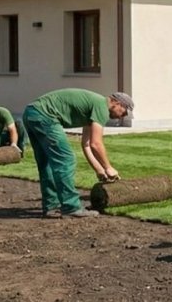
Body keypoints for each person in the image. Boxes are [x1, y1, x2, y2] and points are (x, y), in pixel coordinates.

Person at [21, 89, 132, 218]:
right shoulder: (102, 107)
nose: (122, 116)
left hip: (31, 113)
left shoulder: (94, 106)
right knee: (66, 160)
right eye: (124, 112)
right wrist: (108, 167)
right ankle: (71, 207)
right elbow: (96, 144)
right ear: (116, 103)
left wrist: (99, 170)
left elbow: (86, 144)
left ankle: (51, 206)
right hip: (44, 115)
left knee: (47, 163)